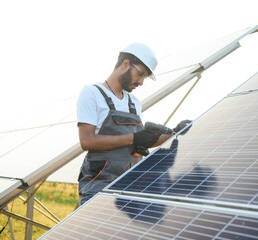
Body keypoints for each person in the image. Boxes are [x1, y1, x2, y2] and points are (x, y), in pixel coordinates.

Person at [76, 42, 191, 205]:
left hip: (129, 184)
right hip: (98, 184)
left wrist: (174, 132)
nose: (141, 82)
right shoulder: (92, 93)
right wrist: (133, 138)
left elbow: (140, 142)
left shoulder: (134, 102)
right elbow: (87, 141)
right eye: (140, 74)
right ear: (125, 64)